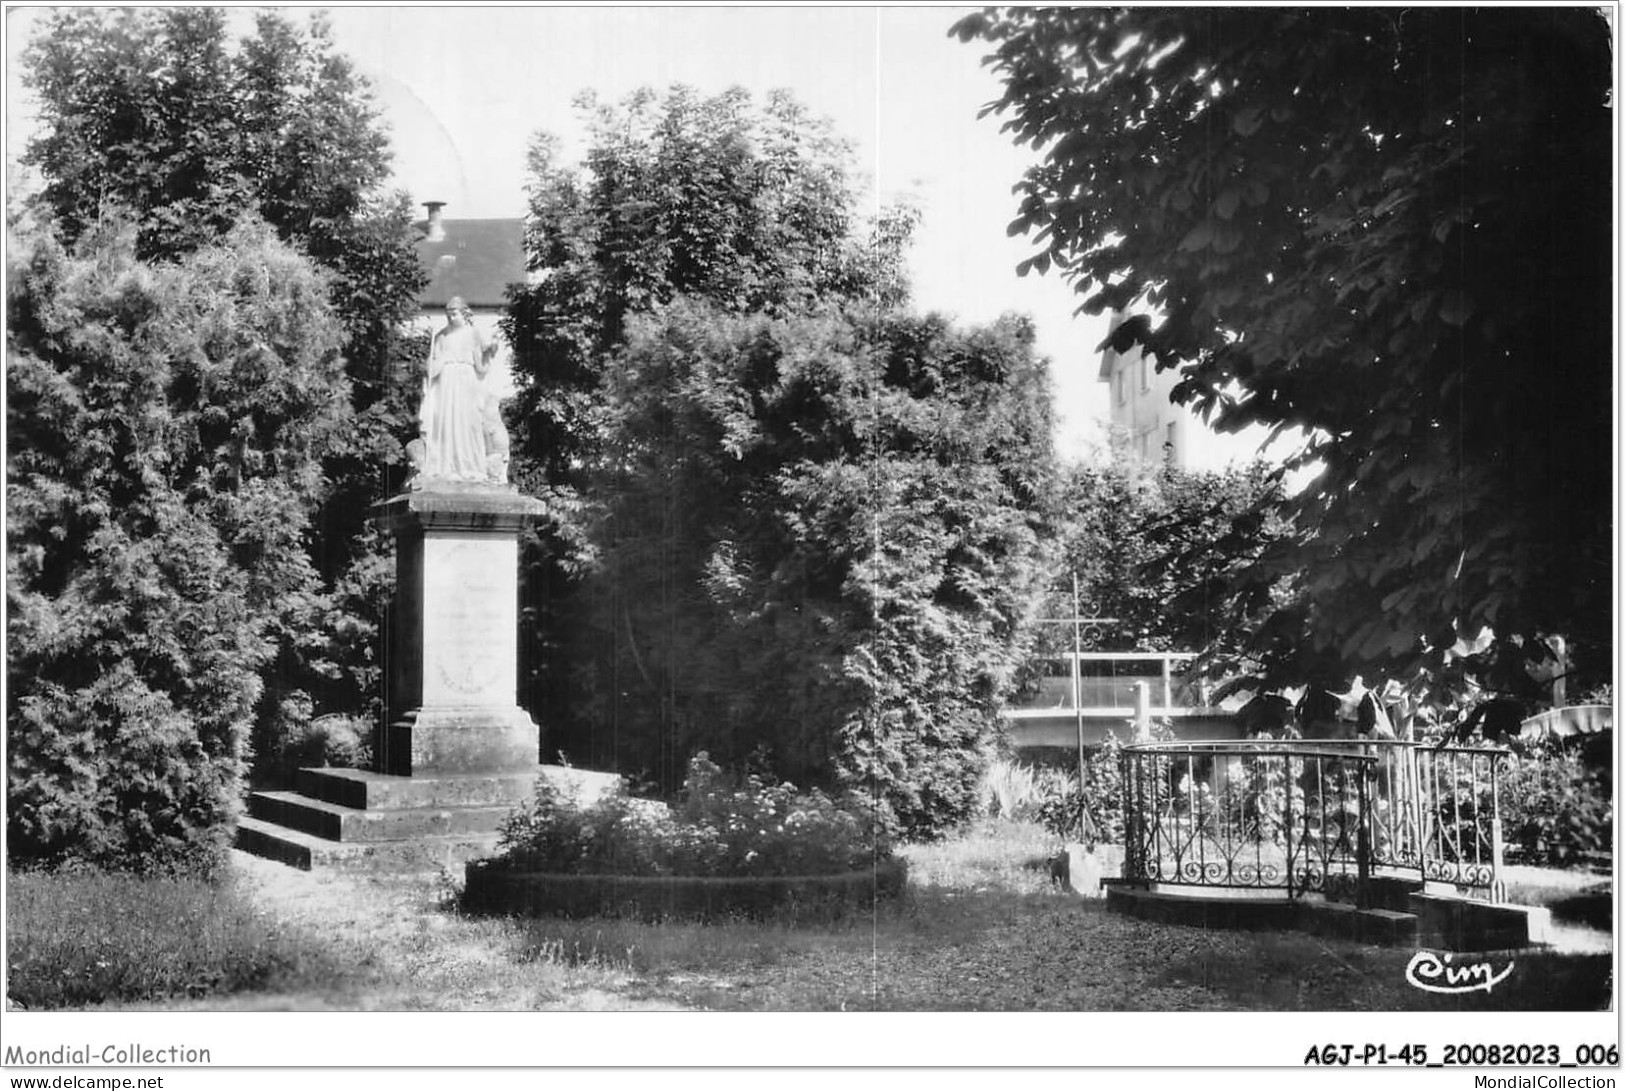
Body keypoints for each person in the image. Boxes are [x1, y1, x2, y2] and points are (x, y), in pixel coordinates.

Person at [419, 297, 499, 482]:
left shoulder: (474, 334)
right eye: (448, 315)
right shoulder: (441, 336)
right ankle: (445, 466)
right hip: (446, 382)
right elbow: (433, 364)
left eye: (454, 314)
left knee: (468, 421)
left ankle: (470, 465)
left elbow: (481, 365)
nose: (451, 318)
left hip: (466, 379)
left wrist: (489, 351)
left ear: (464, 314)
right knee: (445, 422)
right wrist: (432, 365)